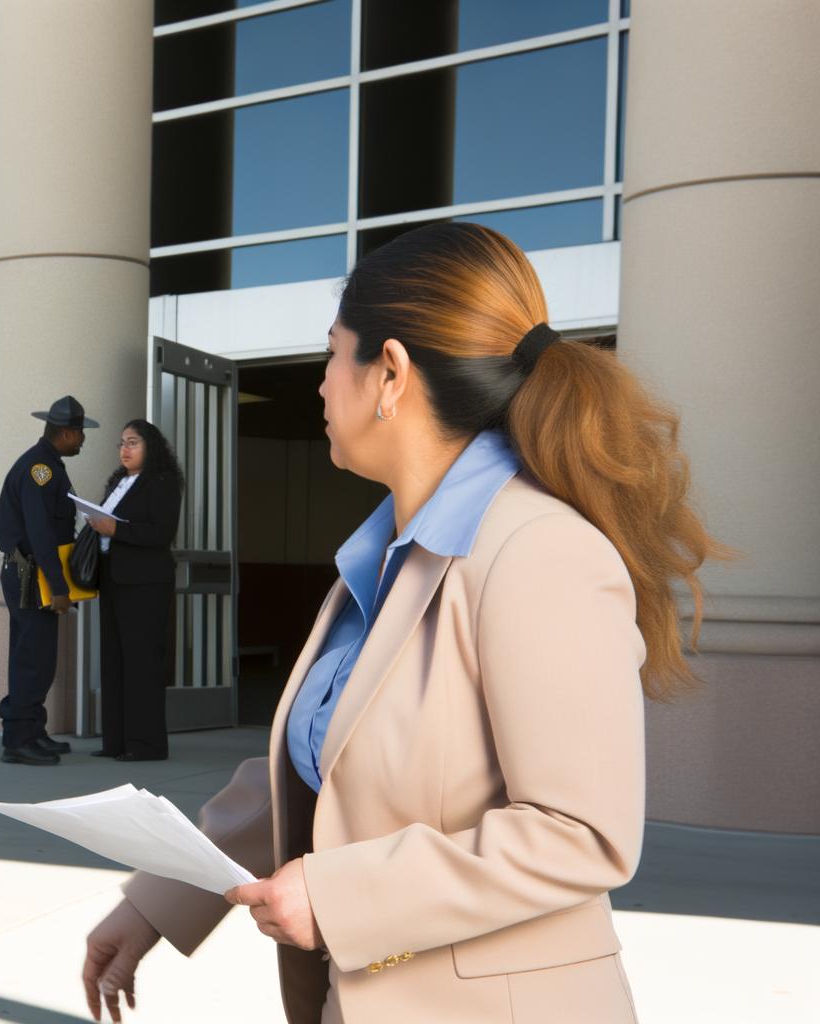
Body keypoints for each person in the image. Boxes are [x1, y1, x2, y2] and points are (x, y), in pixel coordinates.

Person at [79, 222, 721, 1023]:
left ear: (390, 373)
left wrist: (340, 895)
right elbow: (323, 770)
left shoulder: (539, 551)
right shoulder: (382, 557)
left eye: (330, 354)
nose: (319, 384)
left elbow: (582, 832)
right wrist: (158, 903)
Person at [0, 395, 96, 766]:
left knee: (38, 656)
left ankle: (34, 731)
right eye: (80, 434)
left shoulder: (46, 464)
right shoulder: (41, 469)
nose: (82, 441)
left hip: (32, 572)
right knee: (32, 659)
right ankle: (18, 739)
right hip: (31, 574)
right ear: (67, 433)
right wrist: (58, 586)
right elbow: (39, 531)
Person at [87, 420, 183, 762]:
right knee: (114, 661)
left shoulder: (163, 482)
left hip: (146, 584)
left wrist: (115, 529)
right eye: (121, 443)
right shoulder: (119, 481)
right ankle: (116, 741)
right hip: (113, 579)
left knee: (142, 664)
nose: (124, 449)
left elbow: (160, 534)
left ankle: (147, 744)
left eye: (133, 443)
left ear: (150, 446)